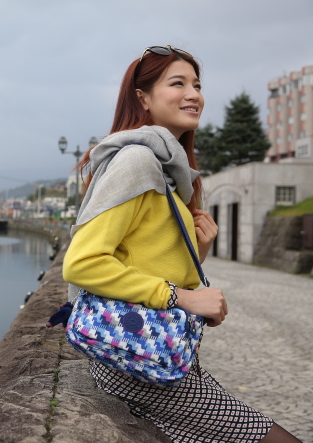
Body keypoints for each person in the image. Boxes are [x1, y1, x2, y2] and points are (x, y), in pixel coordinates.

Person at [60, 46, 300, 443]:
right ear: (143, 98)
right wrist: (184, 298)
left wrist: (198, 253)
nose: (194, 95)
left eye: (197, 85)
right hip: (134, 357)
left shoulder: (171, 172)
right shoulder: (136, 161)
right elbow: (82, 264)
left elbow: (148, 261)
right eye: (178, 83)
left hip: (159, 353)